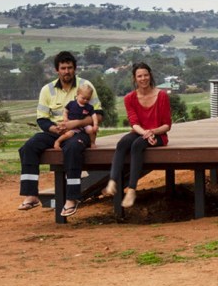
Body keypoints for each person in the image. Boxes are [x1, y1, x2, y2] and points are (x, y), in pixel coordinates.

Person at [17, 52, 100, 219]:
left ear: (75, 69)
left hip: (80, 132)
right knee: (29, 147)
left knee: (73, 148)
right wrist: (54, 129)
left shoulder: (85, 86)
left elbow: (98, 114)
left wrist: (75, 124)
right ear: (57, 70)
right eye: (63, 68)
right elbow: (41, 118)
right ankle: (31, 195)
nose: (67, 71)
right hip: (55, 131)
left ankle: (72, 198)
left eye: (70, 68)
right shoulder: (46, 90)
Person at [106, 61, 174, 210]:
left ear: (150, 76)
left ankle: (131, 190)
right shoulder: (129, 98)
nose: (143, 78)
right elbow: (134, 123)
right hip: (140, 132)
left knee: (137, 145)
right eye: (139, 76)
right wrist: (145, 133)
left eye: (145, 75)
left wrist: (153, 132)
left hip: (159, 134)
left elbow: (167, 125)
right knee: (123, 143)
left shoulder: (161, 96)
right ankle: (113, 180)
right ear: (134, 79)